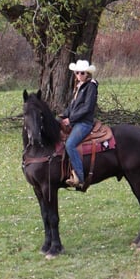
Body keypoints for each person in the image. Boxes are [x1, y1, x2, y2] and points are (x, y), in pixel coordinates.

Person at [59, 59, 98, 189]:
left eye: (82, 73)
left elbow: (87, 108)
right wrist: (63, 115)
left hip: (84, 123)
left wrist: (71, 119)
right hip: (76, 121)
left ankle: (80, 178)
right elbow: (72, 107)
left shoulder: (91, 86)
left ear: (87, 73)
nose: (79, 75)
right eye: (77, 73)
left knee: (70, 144)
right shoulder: (79, 87)